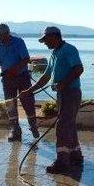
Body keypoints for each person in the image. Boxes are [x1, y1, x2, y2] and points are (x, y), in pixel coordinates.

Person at [21, 26, 84, 173]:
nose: (44, 43)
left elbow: (79, 69)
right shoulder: (54, 53)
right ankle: (75, 156)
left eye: (46, 40)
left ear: (55, 37)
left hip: (71, 92)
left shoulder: (69, 49)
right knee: (69, 125)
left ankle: (63, 162)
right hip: (62, 94)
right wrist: (29, 91)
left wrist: (63, 83)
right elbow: (46, 76)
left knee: (62, 126)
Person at [0, 23, 38, 141]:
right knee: (10, 105)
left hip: (23, 77)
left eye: (1, 36)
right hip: (7, 81)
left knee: (28, 102)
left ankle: (33, 126)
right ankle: (15, 130)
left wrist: (15, 69)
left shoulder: (18, 42)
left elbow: (26, 59)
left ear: (7, 34)